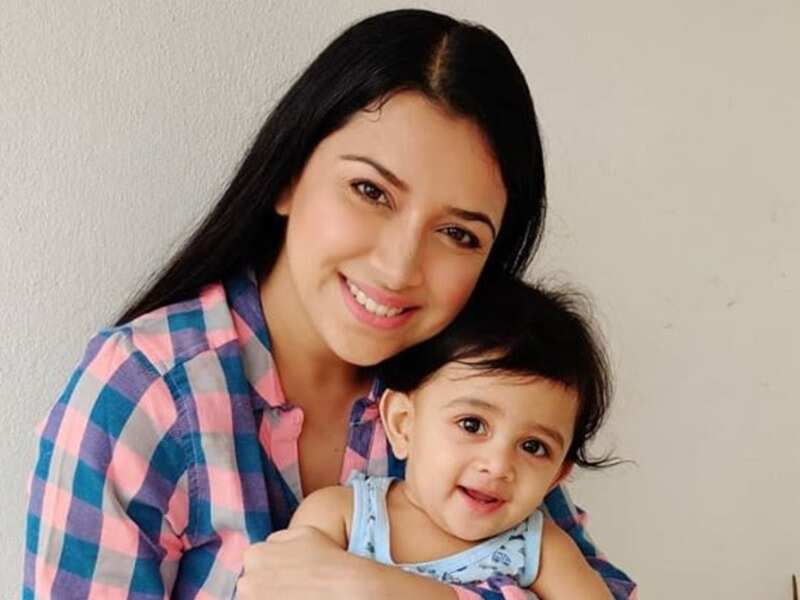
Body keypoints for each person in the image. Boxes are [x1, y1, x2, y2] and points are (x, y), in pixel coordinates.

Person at [23, 8, 636, 599]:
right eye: (370, 190)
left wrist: (402, 595)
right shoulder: (146, 392)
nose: (399, 267)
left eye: (458, 233)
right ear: (288, 176)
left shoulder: (479, 384)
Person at [285, 275, 619, 599]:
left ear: (556, 476)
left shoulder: (539, 548)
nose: (498, 465)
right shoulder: (342, 517)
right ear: (403, 423)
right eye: (472, 425)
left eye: (533, 447)